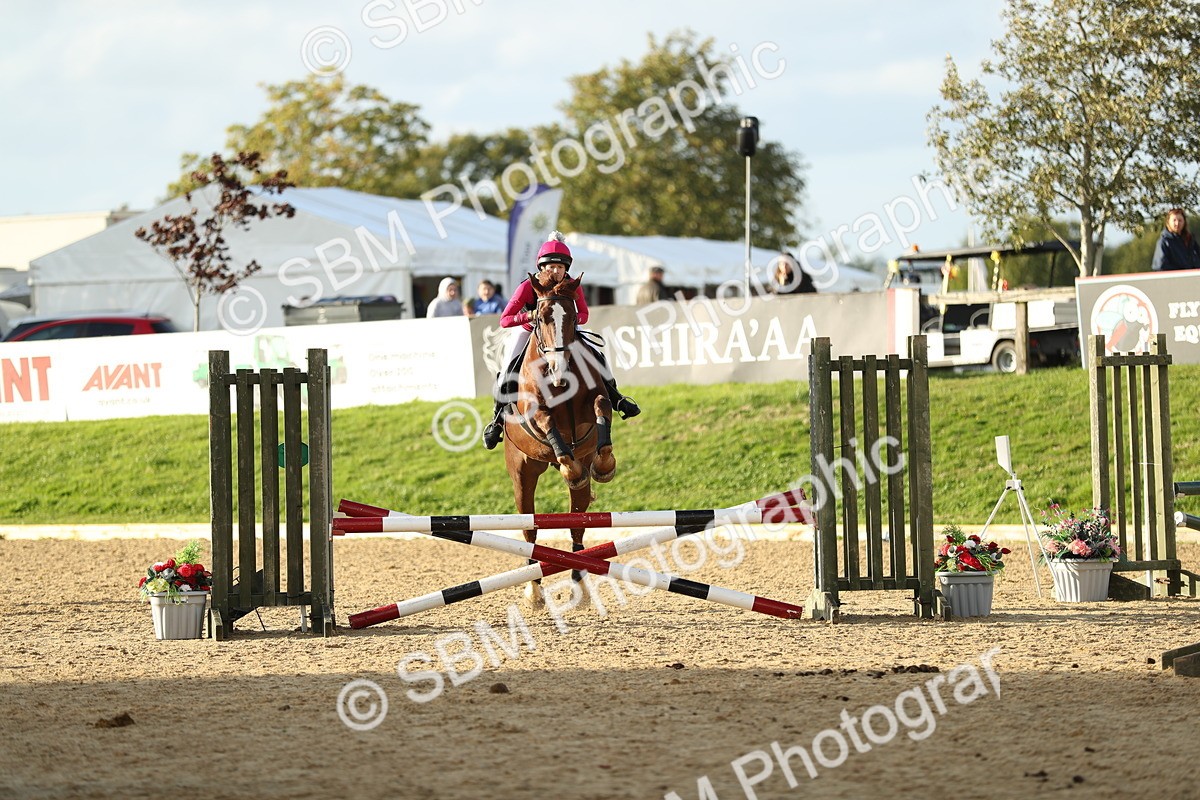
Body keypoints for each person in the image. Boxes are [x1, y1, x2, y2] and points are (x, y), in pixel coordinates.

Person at [482, 231, 640, 450]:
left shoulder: (571, 284)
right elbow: (505, 320)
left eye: (560, 267)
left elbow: (584, 313)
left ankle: (617, 398)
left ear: (566, 268)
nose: (556, 271)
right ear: (541, 267)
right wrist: (530, 316)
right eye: (551, 267)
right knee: (509, 365)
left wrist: (570, 321)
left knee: (597, 353)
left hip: (564, 331)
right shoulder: (528, 286)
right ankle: (498, 419)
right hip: (530, 330)